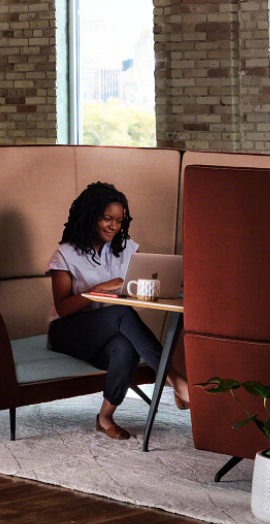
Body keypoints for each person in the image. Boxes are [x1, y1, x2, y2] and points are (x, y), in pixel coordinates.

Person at [46, 181, 191, 440]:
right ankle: (176, 380)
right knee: (120, 315)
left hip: (108, 331)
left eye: (119, 220)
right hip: (67, 332)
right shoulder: (65, 255)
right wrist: (99, 289)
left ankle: (104, 417)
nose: (115, 226)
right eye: (107, 219)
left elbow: (145, 276)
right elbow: (63, 307)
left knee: (125, 346)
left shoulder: (125, 249)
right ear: (91, 217)